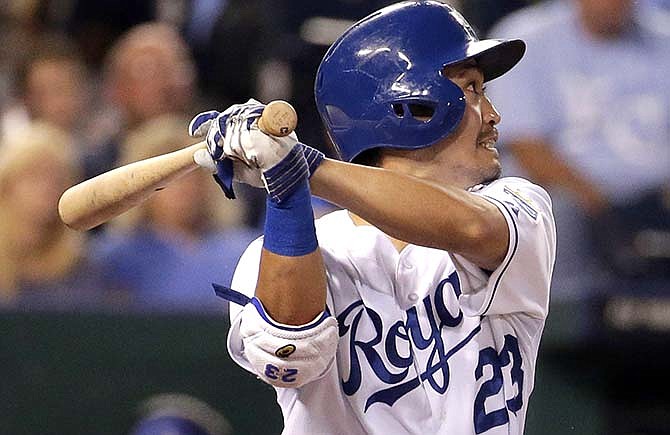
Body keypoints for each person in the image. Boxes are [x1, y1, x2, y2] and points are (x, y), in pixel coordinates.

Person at [189, 1, 556, 434]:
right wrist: (287, 195)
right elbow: (292, 355)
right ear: (414, 104)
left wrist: (302, 167)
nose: (493, 116)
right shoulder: (292, 248)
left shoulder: (521, 205)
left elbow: (470, 227)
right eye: (473, 89)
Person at [486, 0, 670, 294]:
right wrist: (602, 209)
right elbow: (528, 148)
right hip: (573, 196)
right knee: (549, 212)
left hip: (656, 197)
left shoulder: (663, 37)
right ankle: (565, 324)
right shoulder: (526, 37)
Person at [90, 118, 259, 313]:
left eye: (191, 177)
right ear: (140, 189)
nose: (182, 190)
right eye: (168, 181)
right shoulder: (115, 257)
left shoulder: (243, 251)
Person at [0, 122, 110, 309]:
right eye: (34, 176)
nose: (47, 188)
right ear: (6, 186)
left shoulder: (82, 268)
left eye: (57, 178)